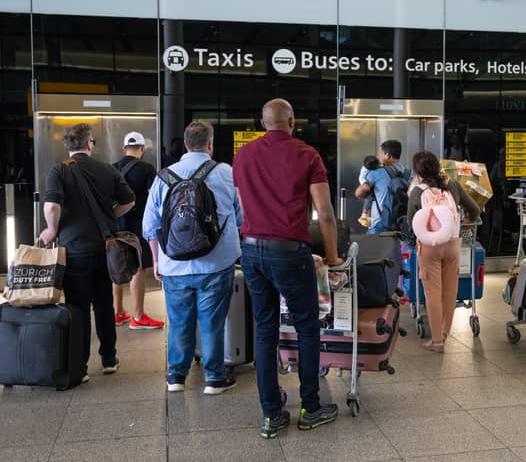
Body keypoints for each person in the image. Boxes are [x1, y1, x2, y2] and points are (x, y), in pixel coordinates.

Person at [233, 98, 343, 439]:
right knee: (308, 328)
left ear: (264, 123)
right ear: (292, 121)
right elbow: (324, 213)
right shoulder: (307, 154)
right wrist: (334, 257)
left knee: (265, 331)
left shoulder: (243, 156)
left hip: (250, 250)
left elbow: (240, 206)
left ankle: (271, 414)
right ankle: (310, 407)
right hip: (290, 252)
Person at [143, 120, 242, 394]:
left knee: (179, 321)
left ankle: (176, 377)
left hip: (174, 264)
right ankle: (214, 378)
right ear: (210, 144)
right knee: (212, 321)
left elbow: (149, 226)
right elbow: (241, 216)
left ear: (185, 145)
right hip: (216, 262)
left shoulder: (164, 176)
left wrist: (156, 260)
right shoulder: (225, 173)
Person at [40, 123, 135, 382]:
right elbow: (129, 200)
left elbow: (51, 206)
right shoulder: (107, 169)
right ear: (90, 143)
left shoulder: (59, 170)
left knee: (78, 308)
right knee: (104, 304)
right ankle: (109, 359)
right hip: (105, 248)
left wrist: (51, 229)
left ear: (68, 146)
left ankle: (80, 367)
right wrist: (109, 217)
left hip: (74, 251)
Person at [406, 151, 480, 352]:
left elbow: (410, 222)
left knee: (433, 293)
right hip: (453, 244)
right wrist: (463, 223)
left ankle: (437, 341)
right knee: (450, 292)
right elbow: (474, 209)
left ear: (417, 172)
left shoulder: (417, 192)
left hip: (429, 247)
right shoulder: (453, 185)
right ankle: (444, 334)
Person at [112, 132, 164, 330]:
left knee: (115, 267)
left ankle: (117, 313)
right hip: (138, 226)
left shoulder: (113, 168)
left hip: (115, 225)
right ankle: (138, 316)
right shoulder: (147, 168)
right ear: (142, 149)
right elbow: (154, 198)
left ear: (124, 148)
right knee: (138, 269)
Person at [354, 139, 411, 234]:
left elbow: (359, 193)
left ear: (388, 155)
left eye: (382, 153)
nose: (380, 156)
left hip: (379, 225)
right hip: (402, 225)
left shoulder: (376, 172)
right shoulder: (409, 174)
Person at [357, 154, 381, 227]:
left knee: (370, 202)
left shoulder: (370, 167)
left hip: (370, 187)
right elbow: (361, 177)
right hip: (367, 187)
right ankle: (363, 216)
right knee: (368, 200)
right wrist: (364, 184)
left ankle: (368, 218)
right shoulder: (365, 170)